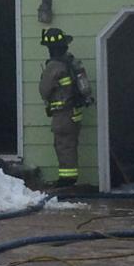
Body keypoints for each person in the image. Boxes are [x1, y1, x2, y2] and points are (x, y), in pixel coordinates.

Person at [38, 28, 84, 187]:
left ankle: (67, 180)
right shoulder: (71, 63)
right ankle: (69, 178)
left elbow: (44, 90)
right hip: (74, 113)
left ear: (51, 48)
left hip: (62, 114)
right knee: (70, 144)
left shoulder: (54, 66)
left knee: (63, 145)